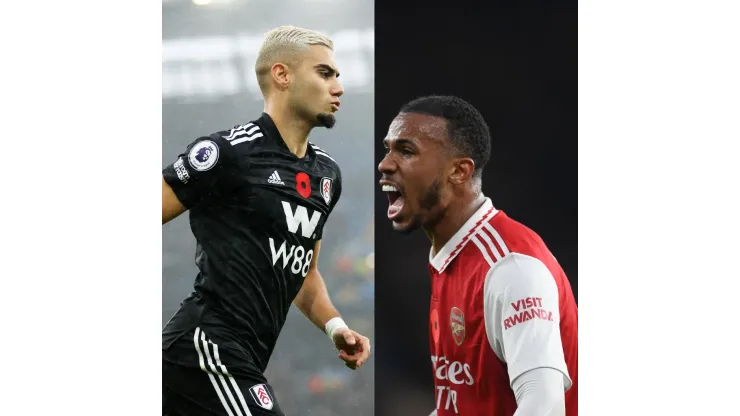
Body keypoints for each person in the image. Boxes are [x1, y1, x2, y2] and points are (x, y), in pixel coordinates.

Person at [161, 25, 371, 416]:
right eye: (325, 73)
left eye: (337, 76)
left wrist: (335, 326)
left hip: (245, 356)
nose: (338, 87)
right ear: (282, 75)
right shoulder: (229, 153)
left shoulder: (327, 175)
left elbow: (304, 273)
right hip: (206, 346)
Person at [378, 95, 577, 415]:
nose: (386, 163)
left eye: (406, 151)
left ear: (459, 171)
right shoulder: (450, 259)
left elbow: (545, 403)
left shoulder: (510, 267)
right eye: (388, 149)